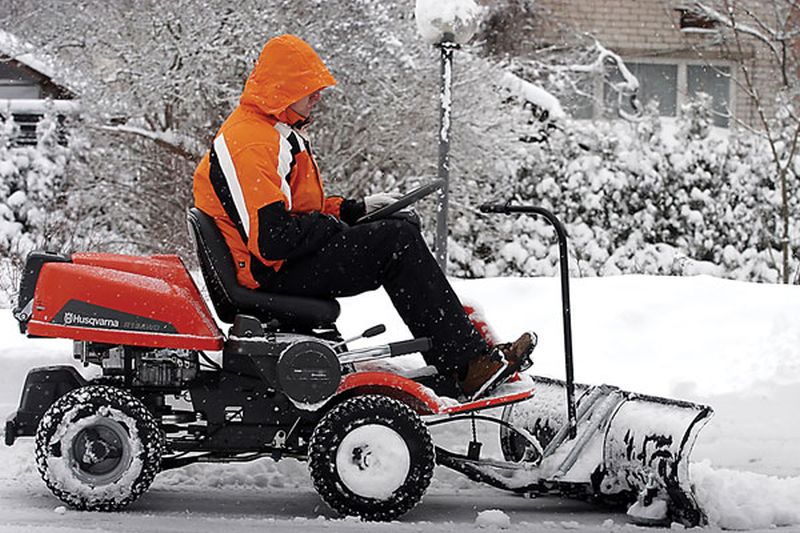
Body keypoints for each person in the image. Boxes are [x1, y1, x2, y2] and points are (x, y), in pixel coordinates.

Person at [193, 34, 533, 399]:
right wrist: (332, 226)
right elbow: (272, 239)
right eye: (310, 88)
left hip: (272, 267)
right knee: (396, 243)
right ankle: (466, 366)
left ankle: (457, 359)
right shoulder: (253, 142)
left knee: (399, 229)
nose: (318, 96)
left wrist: (354, 210)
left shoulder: (268, 132)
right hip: (266, 275)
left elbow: (293, 211)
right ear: (284, 90)